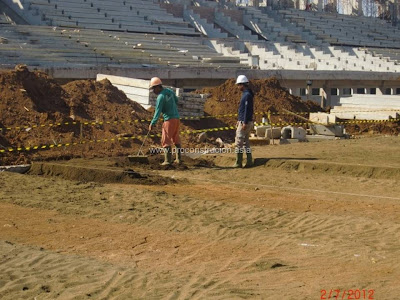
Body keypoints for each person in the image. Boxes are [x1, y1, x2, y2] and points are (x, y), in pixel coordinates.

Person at [148, 77, 182, 165]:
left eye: (153, 88)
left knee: (165, 139)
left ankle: (167, 161)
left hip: (169, 120)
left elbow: (157, 111)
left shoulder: (160, 97)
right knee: (176, 138)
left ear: (158, 87)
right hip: (176, 118)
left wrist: (152, 123)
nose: (153, 91)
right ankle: (178, 159)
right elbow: (176, 100)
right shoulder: (170, 91)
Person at [233, 75, 254, 168]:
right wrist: (239, 120)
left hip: (245, 122)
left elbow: (246, 110)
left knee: (239, 143)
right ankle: (249, 160)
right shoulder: (247, 94)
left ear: (242, 85)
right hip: (245, 121)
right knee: (246, 143)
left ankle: (238, 162)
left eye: (239, 85)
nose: (238, 87)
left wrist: (244, 122)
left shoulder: (246, 95)